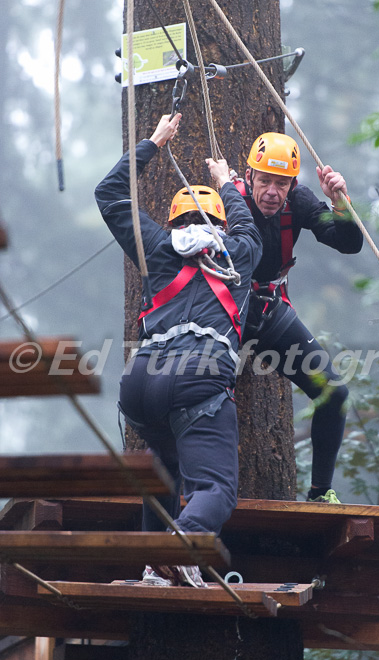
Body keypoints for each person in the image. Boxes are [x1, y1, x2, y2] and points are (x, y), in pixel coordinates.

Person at [95, 113, 262, 587]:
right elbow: (248, 226)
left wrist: (152, 142)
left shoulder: (156, 246)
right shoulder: (240, 254)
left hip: (142, 382)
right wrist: (227, 181)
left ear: (172, 221)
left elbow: (109, 195)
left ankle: (155, 565)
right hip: (198, 376)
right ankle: (180, 547)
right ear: (223, 224)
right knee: (215, 488)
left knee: (165, 471)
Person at [236, 132, 363, 503]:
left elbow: (348, 243)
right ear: (248, 177)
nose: (273, 192)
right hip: (227, 311)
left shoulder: (301, 200)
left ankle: (320, 493)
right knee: (204, 395)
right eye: (264, 181)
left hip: (269, 310)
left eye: (281, 183)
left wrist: (339, 203)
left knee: (333, 393)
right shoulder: (229, 197)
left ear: (292, 183)